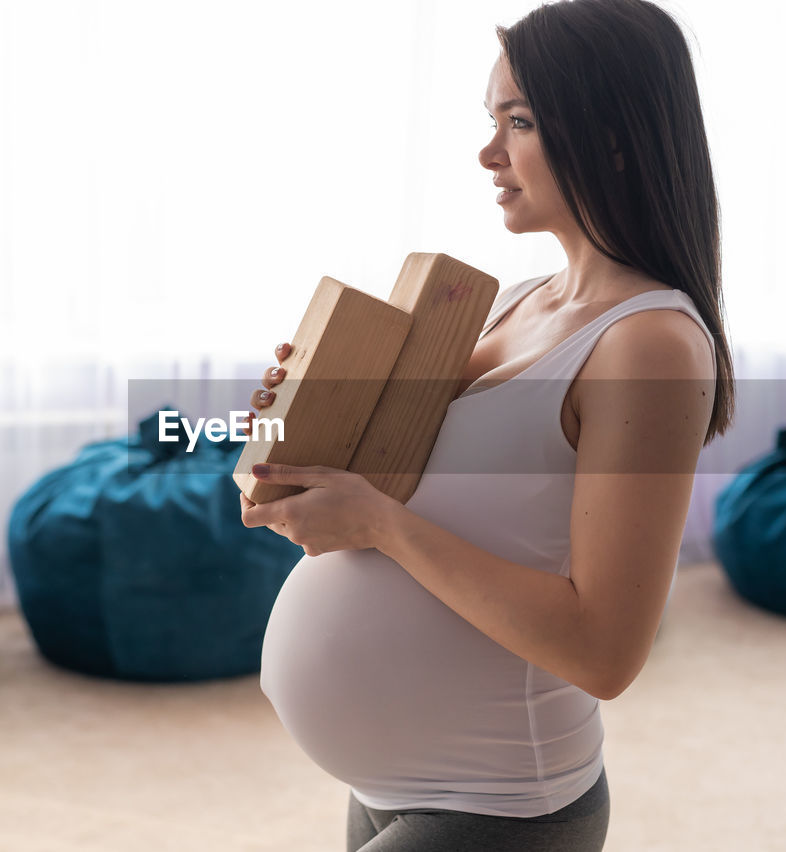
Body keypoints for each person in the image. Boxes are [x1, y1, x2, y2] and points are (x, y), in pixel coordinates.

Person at [239, 1, 736, 848]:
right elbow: (347, 505)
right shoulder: (512, 300)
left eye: (521, 121)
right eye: (492, 118)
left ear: (612, 137)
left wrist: (380, 524)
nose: (488, 152)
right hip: (390, 782)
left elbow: (606, 652)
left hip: (499, 804)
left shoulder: (649, 344)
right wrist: (302, 423)